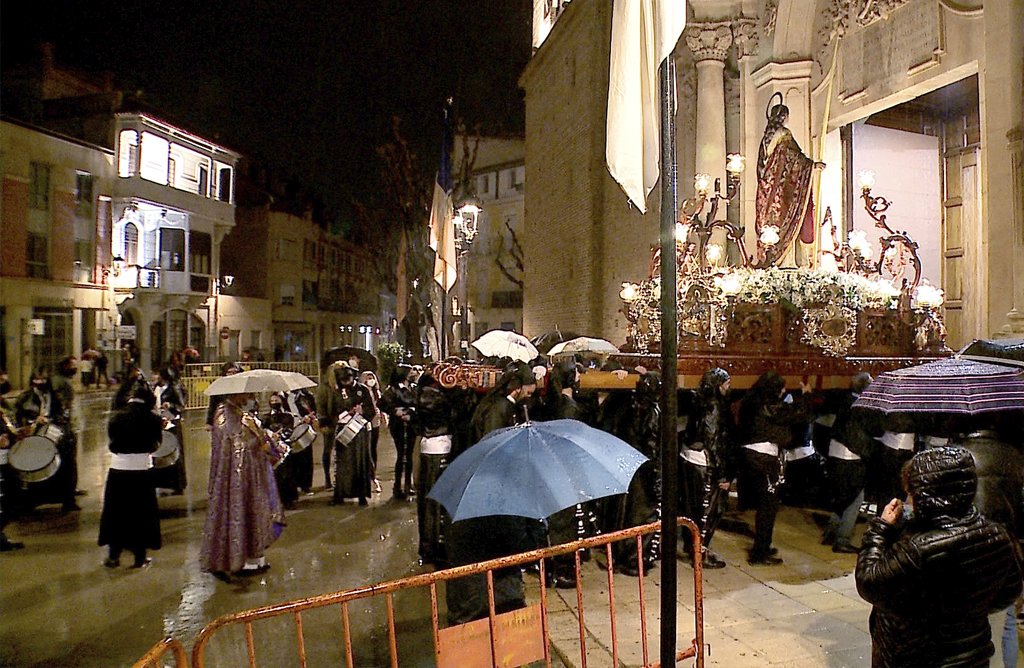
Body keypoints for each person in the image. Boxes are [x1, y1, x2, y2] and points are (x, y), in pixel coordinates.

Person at [856, 446, 1023, 668]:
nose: (909, 498)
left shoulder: (917, 548)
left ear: (929, 494)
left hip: (915, 657)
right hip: (970, 656)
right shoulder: (997, 535)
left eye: (912, 492)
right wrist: (967, 612)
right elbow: (1009, 591)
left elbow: (869, 582)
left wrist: (881, 528)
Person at [952, 414, 1024, 668]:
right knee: (1006, 622)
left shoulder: (955, 455)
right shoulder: (1014, 456)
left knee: (973, 625)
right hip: (1007, 548)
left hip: (965, 548)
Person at [200, 392, 285, 582]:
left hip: (252, 474)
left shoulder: (239, 412)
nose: (250, 395)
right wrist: (259, 443)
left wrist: (267, 439)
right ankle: (242, 562)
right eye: (246, 393)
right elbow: (237, 444)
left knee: (256, 513)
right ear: (235, 393)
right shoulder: (224, 414)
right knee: (241, 513)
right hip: (236, 479)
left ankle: (256, 558)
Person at [736, 370, 813, 565]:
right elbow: (798, 415)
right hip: (763, 459)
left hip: (752, 456)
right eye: (781, 387)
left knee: (765, 505)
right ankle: (760, 553)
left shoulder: (751, 401)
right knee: (768, 507)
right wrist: (806, 396)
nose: (784, 390)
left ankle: (763, 546)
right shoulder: (768, 406)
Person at [754, 93, 826, 268]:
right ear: (784, 117)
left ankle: (774, 258)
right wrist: (812, 165)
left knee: (773, 225)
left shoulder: (766, 139)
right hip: (782, 192)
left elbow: (764, 167)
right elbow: (793, 157)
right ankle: (789, 262)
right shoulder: (784, 134)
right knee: (789, 220)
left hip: (767, 193)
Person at [98, 380, 162, 569]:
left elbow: (112, 441)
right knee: (141, 514)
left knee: (116, 513)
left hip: (118, 470)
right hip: (142, 471)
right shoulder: (153, 419)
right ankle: (139, 557)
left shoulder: (116, 417)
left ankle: (113, 556)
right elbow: (156, 444)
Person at [679, 367, 735, 569]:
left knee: (692, 509)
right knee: (707, 512)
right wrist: (722, 475)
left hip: (691, 459)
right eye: (726, 384)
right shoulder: (714, 407)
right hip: (705, 465)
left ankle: (692, 547)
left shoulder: (698, 401)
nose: (729, 388)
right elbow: (714, 442)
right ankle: (699, 553)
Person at [821, 372, 873, 554]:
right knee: (855, 499)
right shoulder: (859, 407)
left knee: (840, 496)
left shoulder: (845, 400)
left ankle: (831, 532)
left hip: (835, 454)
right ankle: (842, 539)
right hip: (849, 457)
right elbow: (857, 438)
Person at [14, 367, 77, 513]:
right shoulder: (25, 397)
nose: (40, 382)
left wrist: (53, 421)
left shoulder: (55, 397)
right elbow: (18, 417)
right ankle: (33, 500)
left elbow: (65, 413)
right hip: (35, 435)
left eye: (43, 380)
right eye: (37, 379)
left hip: (56, 434)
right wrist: (33, 421)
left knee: (65, 466)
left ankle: (67, 499)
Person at [413, 369, 452, 565]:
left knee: (428, 503)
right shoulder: (437, 399)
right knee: (435, 504)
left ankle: (428, 546)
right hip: (439, 449)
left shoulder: (422, 397)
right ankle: (435, 547)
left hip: (428, 449)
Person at [327, 366, 375, 506]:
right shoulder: (336, 393)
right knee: (343, 463)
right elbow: (331, 412)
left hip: (359, 429)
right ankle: (340, 494)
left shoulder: (363, 390)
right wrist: (346, 413)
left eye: (348, 379)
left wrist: (361, 411)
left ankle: (361, 495)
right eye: (343, 380)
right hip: (343, 428)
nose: (346, 382)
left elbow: (371, 410)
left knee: (360, 462)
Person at [379, 365, 417, 500]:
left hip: (411, 424)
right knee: (402, 454)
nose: (413, 373)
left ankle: (408, 485)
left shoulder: (413, 388)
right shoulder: (393, 390)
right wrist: (395, 411)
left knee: (410, 455)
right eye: (410, 372)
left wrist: (411, 413)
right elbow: (382, 403)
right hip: (399, 425)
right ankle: (398, 486)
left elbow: (418, 402)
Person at [151, 367, 187, 495]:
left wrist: (170, 406)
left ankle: (177, 484)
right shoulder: (155, 388)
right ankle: (161, 483)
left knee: (175, 454)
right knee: (160, 454)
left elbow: (181, 405)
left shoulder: (174, 389)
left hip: (172, 422)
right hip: (159, 422)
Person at [264, 392, 298, 509]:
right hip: (272, 450)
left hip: (284, 449)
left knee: (287, 475)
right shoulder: (266, 418)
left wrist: (281, 436)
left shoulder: (287, 416)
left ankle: (288, 500)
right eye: (272, 401)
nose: (274, 403)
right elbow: (263, 432)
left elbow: (289, 430)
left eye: (276, 401)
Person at [359, 370, 384, 494]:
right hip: (366, 422)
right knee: (367, 449)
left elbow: (381, 405)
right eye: (367, 378)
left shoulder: (376, 392)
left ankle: (373, 470)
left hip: (376, 422)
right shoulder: (361, 392)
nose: (370, 380)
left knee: (373, 447)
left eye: (372, 377)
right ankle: (369, 473)